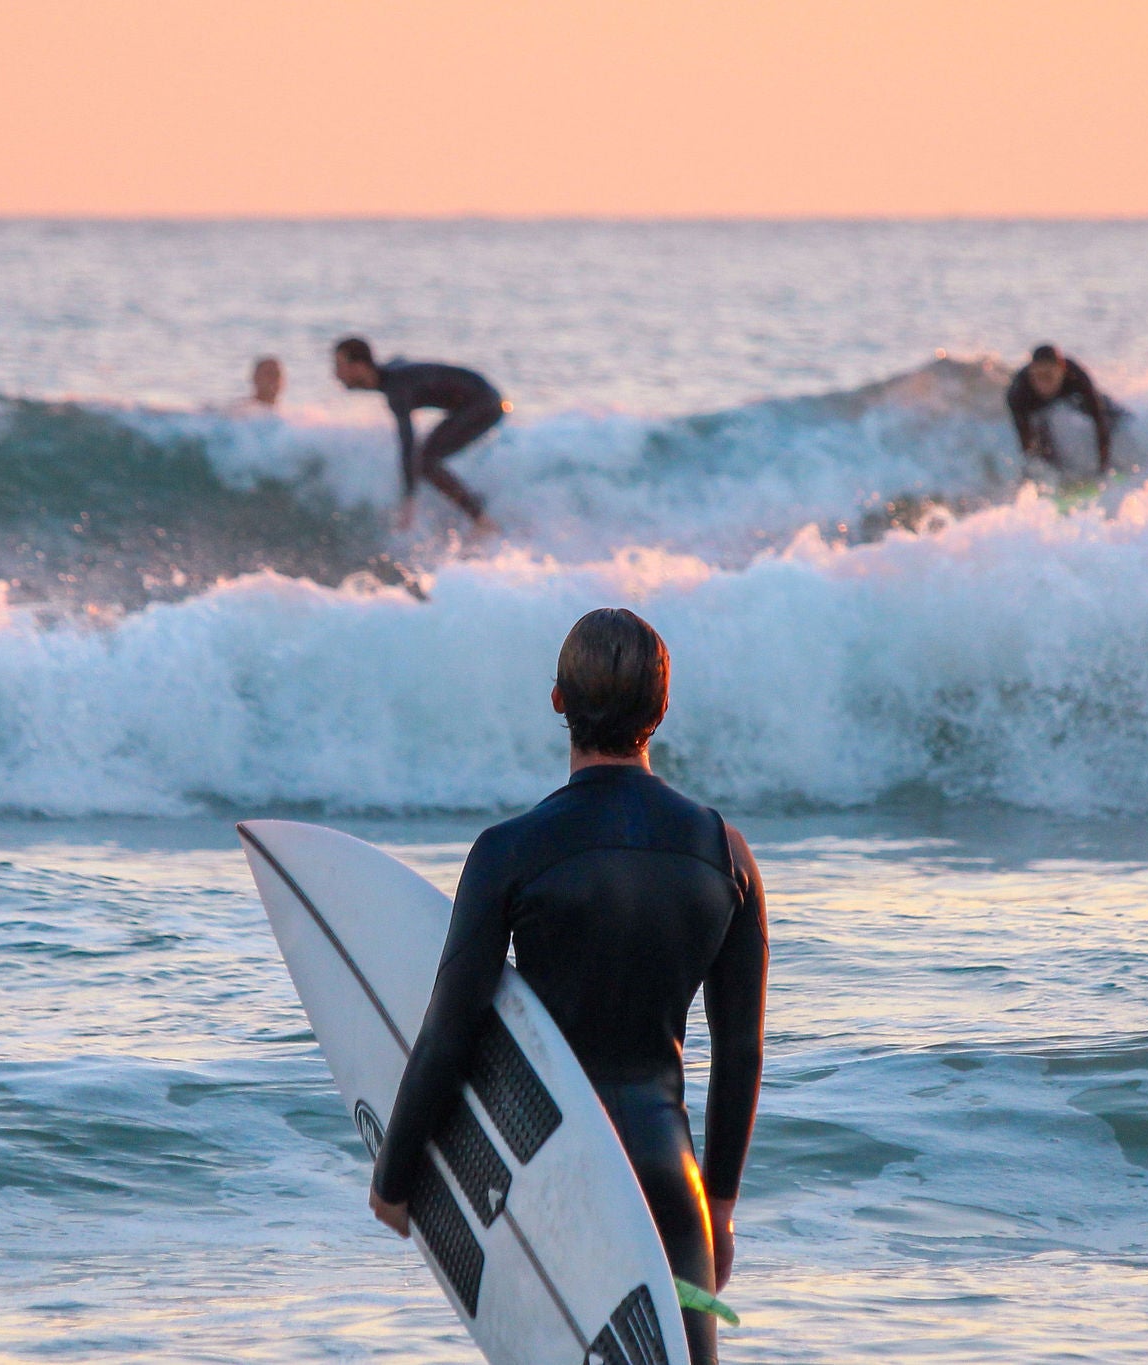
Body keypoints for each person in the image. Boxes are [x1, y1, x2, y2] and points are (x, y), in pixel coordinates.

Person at [368, 608, 767, 1365]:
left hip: (555, 1168)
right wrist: (718, 1205)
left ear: (557, 700)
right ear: (663, 708)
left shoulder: (508, 851)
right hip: (667, 1175)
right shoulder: (727, 853)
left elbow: (449, 1030)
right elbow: (741, 1051)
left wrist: (395, 1175)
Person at [333, 337, 504, 534]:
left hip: (485, 403)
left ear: (359, 367)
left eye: (339, 366)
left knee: (425, 460)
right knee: (427, 458)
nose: (336, 375)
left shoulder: (396, 388)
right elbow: (402, 361)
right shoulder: (392, 375)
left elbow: (408, 441)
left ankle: (483, 521)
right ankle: (479, 511)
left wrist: (409, 498)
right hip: (479, 400)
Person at [1006, 343, 1119, 478]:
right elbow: (1026, 443)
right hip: (1035, 407)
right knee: (1039, 438)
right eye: (1038, 376)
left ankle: (1115, 463)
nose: (1043, 383)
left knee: (1108, 414)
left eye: (1048, 375)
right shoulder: (1019, 390)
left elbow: (1099, 418)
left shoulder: (1076, 375)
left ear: (1062, 370)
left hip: (1071, 397)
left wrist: (1103, 467)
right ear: (1031, 373)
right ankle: (1059, 477)